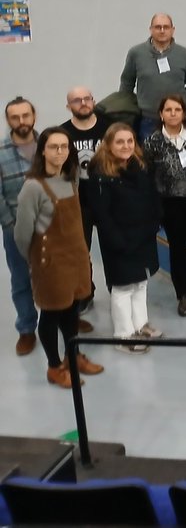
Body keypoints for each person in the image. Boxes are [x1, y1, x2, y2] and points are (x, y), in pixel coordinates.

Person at [13, 129, 102, 387]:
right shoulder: (32, 186)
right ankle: (54, 367)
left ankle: (72, 356)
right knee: (52, 315)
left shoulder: (69, 177)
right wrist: (37, 262)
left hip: (75, 259)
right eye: (54, 147)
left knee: (72, 309)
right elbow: (22, 234)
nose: (60, 152)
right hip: (50, 263)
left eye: (64, 147)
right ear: (43, 150)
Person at [90, 124, 163, 352]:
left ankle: (140, 325)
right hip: (119, 240)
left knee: (140, 284)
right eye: (120, 142)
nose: (126, 146)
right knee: (122, 288)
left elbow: (152, 198)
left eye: (130, 141)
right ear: (109, 145)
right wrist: (117, 241)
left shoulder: (139, 167)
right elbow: (101, 214)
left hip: (142, 237)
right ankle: (124, 335)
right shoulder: (101, 174)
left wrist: (153, 224)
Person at [143, 94, 186, 316]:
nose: (173, 114)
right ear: (161, 114)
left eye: (177, 109)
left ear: (184, 113)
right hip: (169, 202)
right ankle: (183, 294)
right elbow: (148, 174)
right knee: (177, 248)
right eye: (168, 110)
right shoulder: (152, 141)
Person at [59, 86, 109, 311]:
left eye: (86, 98)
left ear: (93, 100)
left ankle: (118, 290)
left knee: (113, 249)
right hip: (78, 202)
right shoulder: (62, 133)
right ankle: (85, 292)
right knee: (81, 251)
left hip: (109, 200)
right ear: (68, 106)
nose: (83, 103)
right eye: (76, 100)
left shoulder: (109, 126)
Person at [1, 97, 41, 355]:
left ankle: (60, 321)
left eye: (25, 115)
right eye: (15, 117)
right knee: (21, 281)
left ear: (33, 115)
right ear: (8, 121)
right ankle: (27, 329)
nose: (21, 121)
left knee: (56, 279)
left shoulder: (49, 145)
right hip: (16, 230)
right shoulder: (1, 153)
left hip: (50, 227)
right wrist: (13, 224)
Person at [119, 13, 186, 139]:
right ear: (150, 29)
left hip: (177, 119)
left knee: (179, 156)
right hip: (147, 119)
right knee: (147, 157)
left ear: (173, 30)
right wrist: (126, 111)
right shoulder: (136, 53)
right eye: (158, 27)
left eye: (166, 27)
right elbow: (126, 83)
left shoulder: (184, 54)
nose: (162, 31)